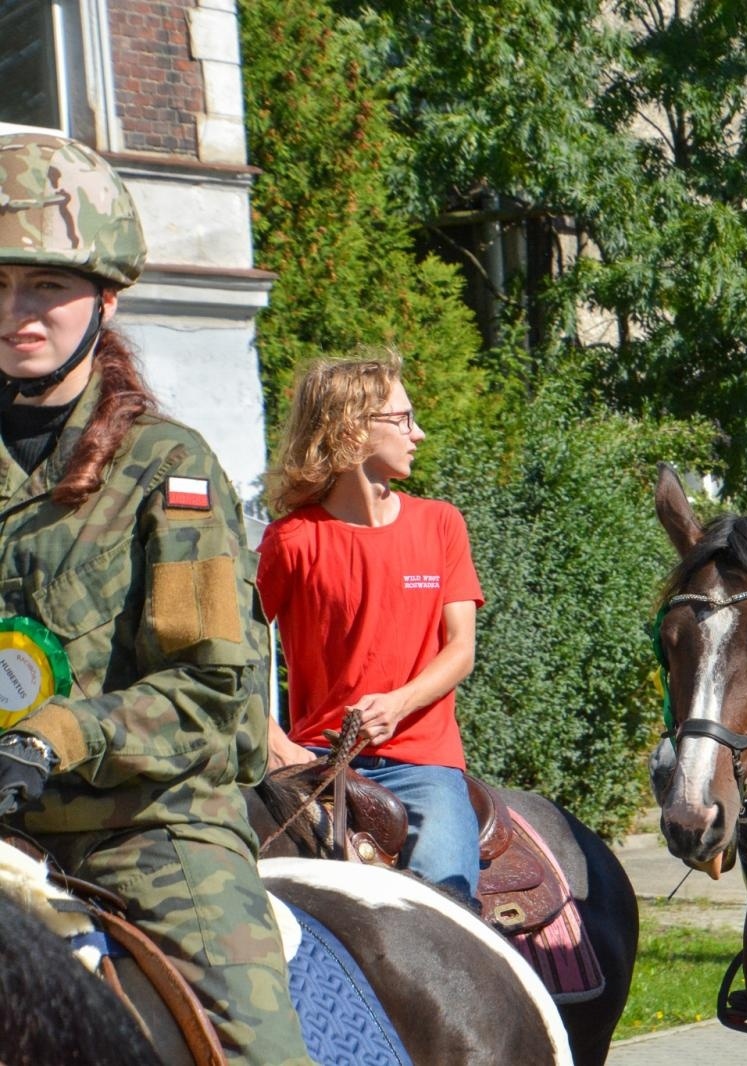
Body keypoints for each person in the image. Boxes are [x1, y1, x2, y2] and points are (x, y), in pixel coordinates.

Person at [0, 133, 312, 1063]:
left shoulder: (168, 471)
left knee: (256, 1050)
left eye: (46, 287)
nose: (17, 313)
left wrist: (57, 734)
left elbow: (212, 698)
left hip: (143, 834)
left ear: (106, 296)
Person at [257, 354, 485, 907]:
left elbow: (461, 650)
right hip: (315, 763)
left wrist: (399, 704)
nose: (418, 433)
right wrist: (274, 742)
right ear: (352, 428)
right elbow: (229, 652)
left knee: (447, 904)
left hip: (424, 765)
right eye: (402, 420)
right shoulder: (290, 541)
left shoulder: (441, 524)